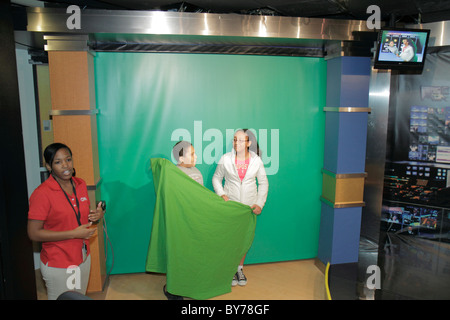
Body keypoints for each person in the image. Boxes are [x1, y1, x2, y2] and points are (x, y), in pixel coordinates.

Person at [27, 143, 105, 300]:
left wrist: (97, 215)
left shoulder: (80, 184)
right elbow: (33, 233)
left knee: (78, 298)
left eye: (68, 159)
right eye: (58, 162)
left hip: (82, 257)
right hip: (59, 262)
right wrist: (73, 234)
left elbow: (79, 216)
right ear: (49, 166)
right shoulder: (42, 193)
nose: (65, 165)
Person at [212, 129, 269, 286]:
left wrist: (259, 203)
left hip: (248, 208)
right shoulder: (226, 159)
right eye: (235, 140)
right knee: (230, 239)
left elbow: (263, 183)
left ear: (249, 143)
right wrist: (222, 194)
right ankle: (229, 269)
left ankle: (239, 269)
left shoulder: (256, 161)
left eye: (241, 140)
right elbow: (216, 178)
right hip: (231, 207)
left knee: (244, 239)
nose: (236, 143)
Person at [161, 140, 204, 300]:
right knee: (178, 256)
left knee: (193, 255)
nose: (196, 156)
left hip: (195, 222)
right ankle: (172, 289)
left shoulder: (197, 172)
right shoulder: (173, 174)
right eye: (192, 154)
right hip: (180, 224)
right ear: (180, 159)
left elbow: (201, 197)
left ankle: (191, 285)